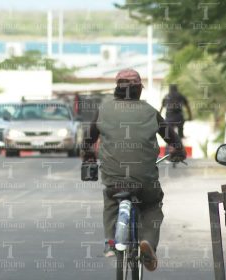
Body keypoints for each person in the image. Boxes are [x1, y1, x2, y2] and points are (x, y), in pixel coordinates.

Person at [81, 69, 186, 272]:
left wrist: (89, 156)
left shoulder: (104, 110)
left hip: (114, 179)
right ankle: (148, 242)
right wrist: (178, 151)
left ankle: (111, 242)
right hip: (145, 180)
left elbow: (88, 141)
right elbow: (172, 139)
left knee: (111, 199)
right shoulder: (149, 111)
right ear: (139, 89)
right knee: (152, 205)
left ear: (117, 88)